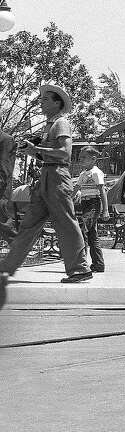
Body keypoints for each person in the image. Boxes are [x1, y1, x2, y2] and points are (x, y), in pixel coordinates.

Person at [0, 84, 92, 295]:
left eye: (45, 100)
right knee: (29, 222)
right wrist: (32, 152)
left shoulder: (61, 123)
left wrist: (37, 149)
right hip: (46, 175)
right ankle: (7, 267)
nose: (41, 103)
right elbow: (46, 155)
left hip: (58, 176)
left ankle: (79, 268)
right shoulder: (50, 126)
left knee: (65, 221)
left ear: (57, 103)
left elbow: (64, 153)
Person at [74, 147, 109, 274]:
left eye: (84, 157)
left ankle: (81, 264)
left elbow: (102, 191)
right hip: (85, 203)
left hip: (93, 203)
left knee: (83, 231)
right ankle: (98, 264)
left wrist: (105, 210)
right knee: (92, 235)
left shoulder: (96, 172)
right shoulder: (83, 174)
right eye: (80, 157)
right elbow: (76, 189)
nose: (80, 160)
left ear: (93, 159)